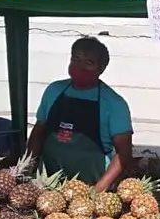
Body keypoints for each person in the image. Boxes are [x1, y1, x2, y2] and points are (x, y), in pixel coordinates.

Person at [27, 37, 134, 192]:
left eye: (88, 63)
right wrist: (28, 168)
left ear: (101, 68)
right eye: (75, 59)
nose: (80, 66)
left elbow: (123, 153)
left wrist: (97, 190)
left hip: (90, 186)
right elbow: (39, 132)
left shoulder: (114, 103)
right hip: (47, 185)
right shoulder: (54, 91)